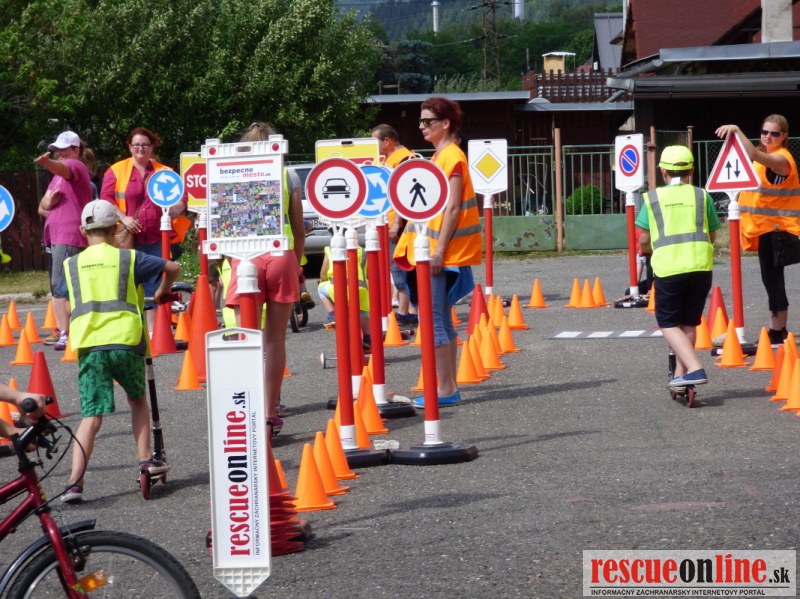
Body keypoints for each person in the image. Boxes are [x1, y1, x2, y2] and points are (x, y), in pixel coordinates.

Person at [60, 200, 180, 504]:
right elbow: (172, 267)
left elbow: (69, 300)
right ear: (116, 228)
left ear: (82, 230)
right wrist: (162, 291)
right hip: (126, 341)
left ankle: (74, 483)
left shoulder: (71, 264)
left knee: (91, 416)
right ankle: (145, 462)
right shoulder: (128, 258)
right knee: (137, 400)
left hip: (90, 345)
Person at [394, 97, 482, 408]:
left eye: (427, 121)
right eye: (421, 121)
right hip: (436, 251)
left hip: (440, 253)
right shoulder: (441, 156)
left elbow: (453, 207)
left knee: (433, 321)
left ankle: (444, 389)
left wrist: (439, 250)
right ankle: (448, 387)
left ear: (445, 123)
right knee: (440, 318)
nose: (421, 126)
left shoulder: (452, 157)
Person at [224, 122, 305, 436]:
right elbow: (298, 228)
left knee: (247, 338)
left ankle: (248, 410)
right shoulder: (287, 175)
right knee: (275, 340)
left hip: (246, 256)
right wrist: (295, 262)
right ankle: (270, 411)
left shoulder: (232, 173)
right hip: (281, 252)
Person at [636, 145, 720, 388]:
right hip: (700, 266)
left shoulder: (653, 198)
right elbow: (712, 234)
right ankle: (681, 376)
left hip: (669, 268)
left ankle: (694, 368)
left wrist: (647, 250)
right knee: (689, 322)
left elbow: (644, 238)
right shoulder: (702, 196)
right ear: (691, 171)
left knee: (668, 323)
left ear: (663, 171)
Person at [715, 116, 800, 346]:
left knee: (773, 281)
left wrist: (736, 129)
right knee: (770, 279)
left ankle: (778, 331)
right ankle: (778, 329)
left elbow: (752, 153)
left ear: (784, 136)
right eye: (764, 132)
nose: (767, 136)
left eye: (774, 133)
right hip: (767, 229)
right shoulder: (767, 157)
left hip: (777, 230)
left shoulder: (781, 159)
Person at [99, 127, 186, 332]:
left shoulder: (165, 171)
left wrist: (178, 206)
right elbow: (106, 199)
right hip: (127, 239)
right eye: (136, 144)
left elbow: (182, 197)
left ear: (152, 147)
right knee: (127, 284)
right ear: (129, 147)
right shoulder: (116, 170)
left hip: (157, 238)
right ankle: (129, 330)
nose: (141, 148)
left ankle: (154, 334)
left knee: (154, 286)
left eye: (145, 145)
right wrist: (124, 218)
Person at [35, 131, 92, 351]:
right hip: (58, 237)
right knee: (61, 286)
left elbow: (63, 169)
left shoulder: (75, 166)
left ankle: (66, 333)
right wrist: (50, 202)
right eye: (56, 150)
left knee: (61, 287)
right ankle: (69, 330)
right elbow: (43, 206)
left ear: (76, 150)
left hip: (68, 237)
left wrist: (46, 162)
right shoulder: (56, 177)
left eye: (63, 149)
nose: (59, 153)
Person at [371, 124, 417, 326]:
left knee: (401, 268)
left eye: (375, 141)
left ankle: (410, 311)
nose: (373, 146)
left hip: (399, 226)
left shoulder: (405, 159)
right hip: (390, 223)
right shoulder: (391, 160)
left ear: (387, 141)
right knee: (398, 268)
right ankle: (406, 311)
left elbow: (403, 194)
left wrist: (396, 223)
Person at [316, 239, 371, 351]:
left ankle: (332, 315)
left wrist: (322, 280)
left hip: (337, 287)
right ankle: (368, 338)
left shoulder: (330, 249)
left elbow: (323, 272)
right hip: (360, 287)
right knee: (363, 312)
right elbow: (367, 272)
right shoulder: (362, 251)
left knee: (320, 289)